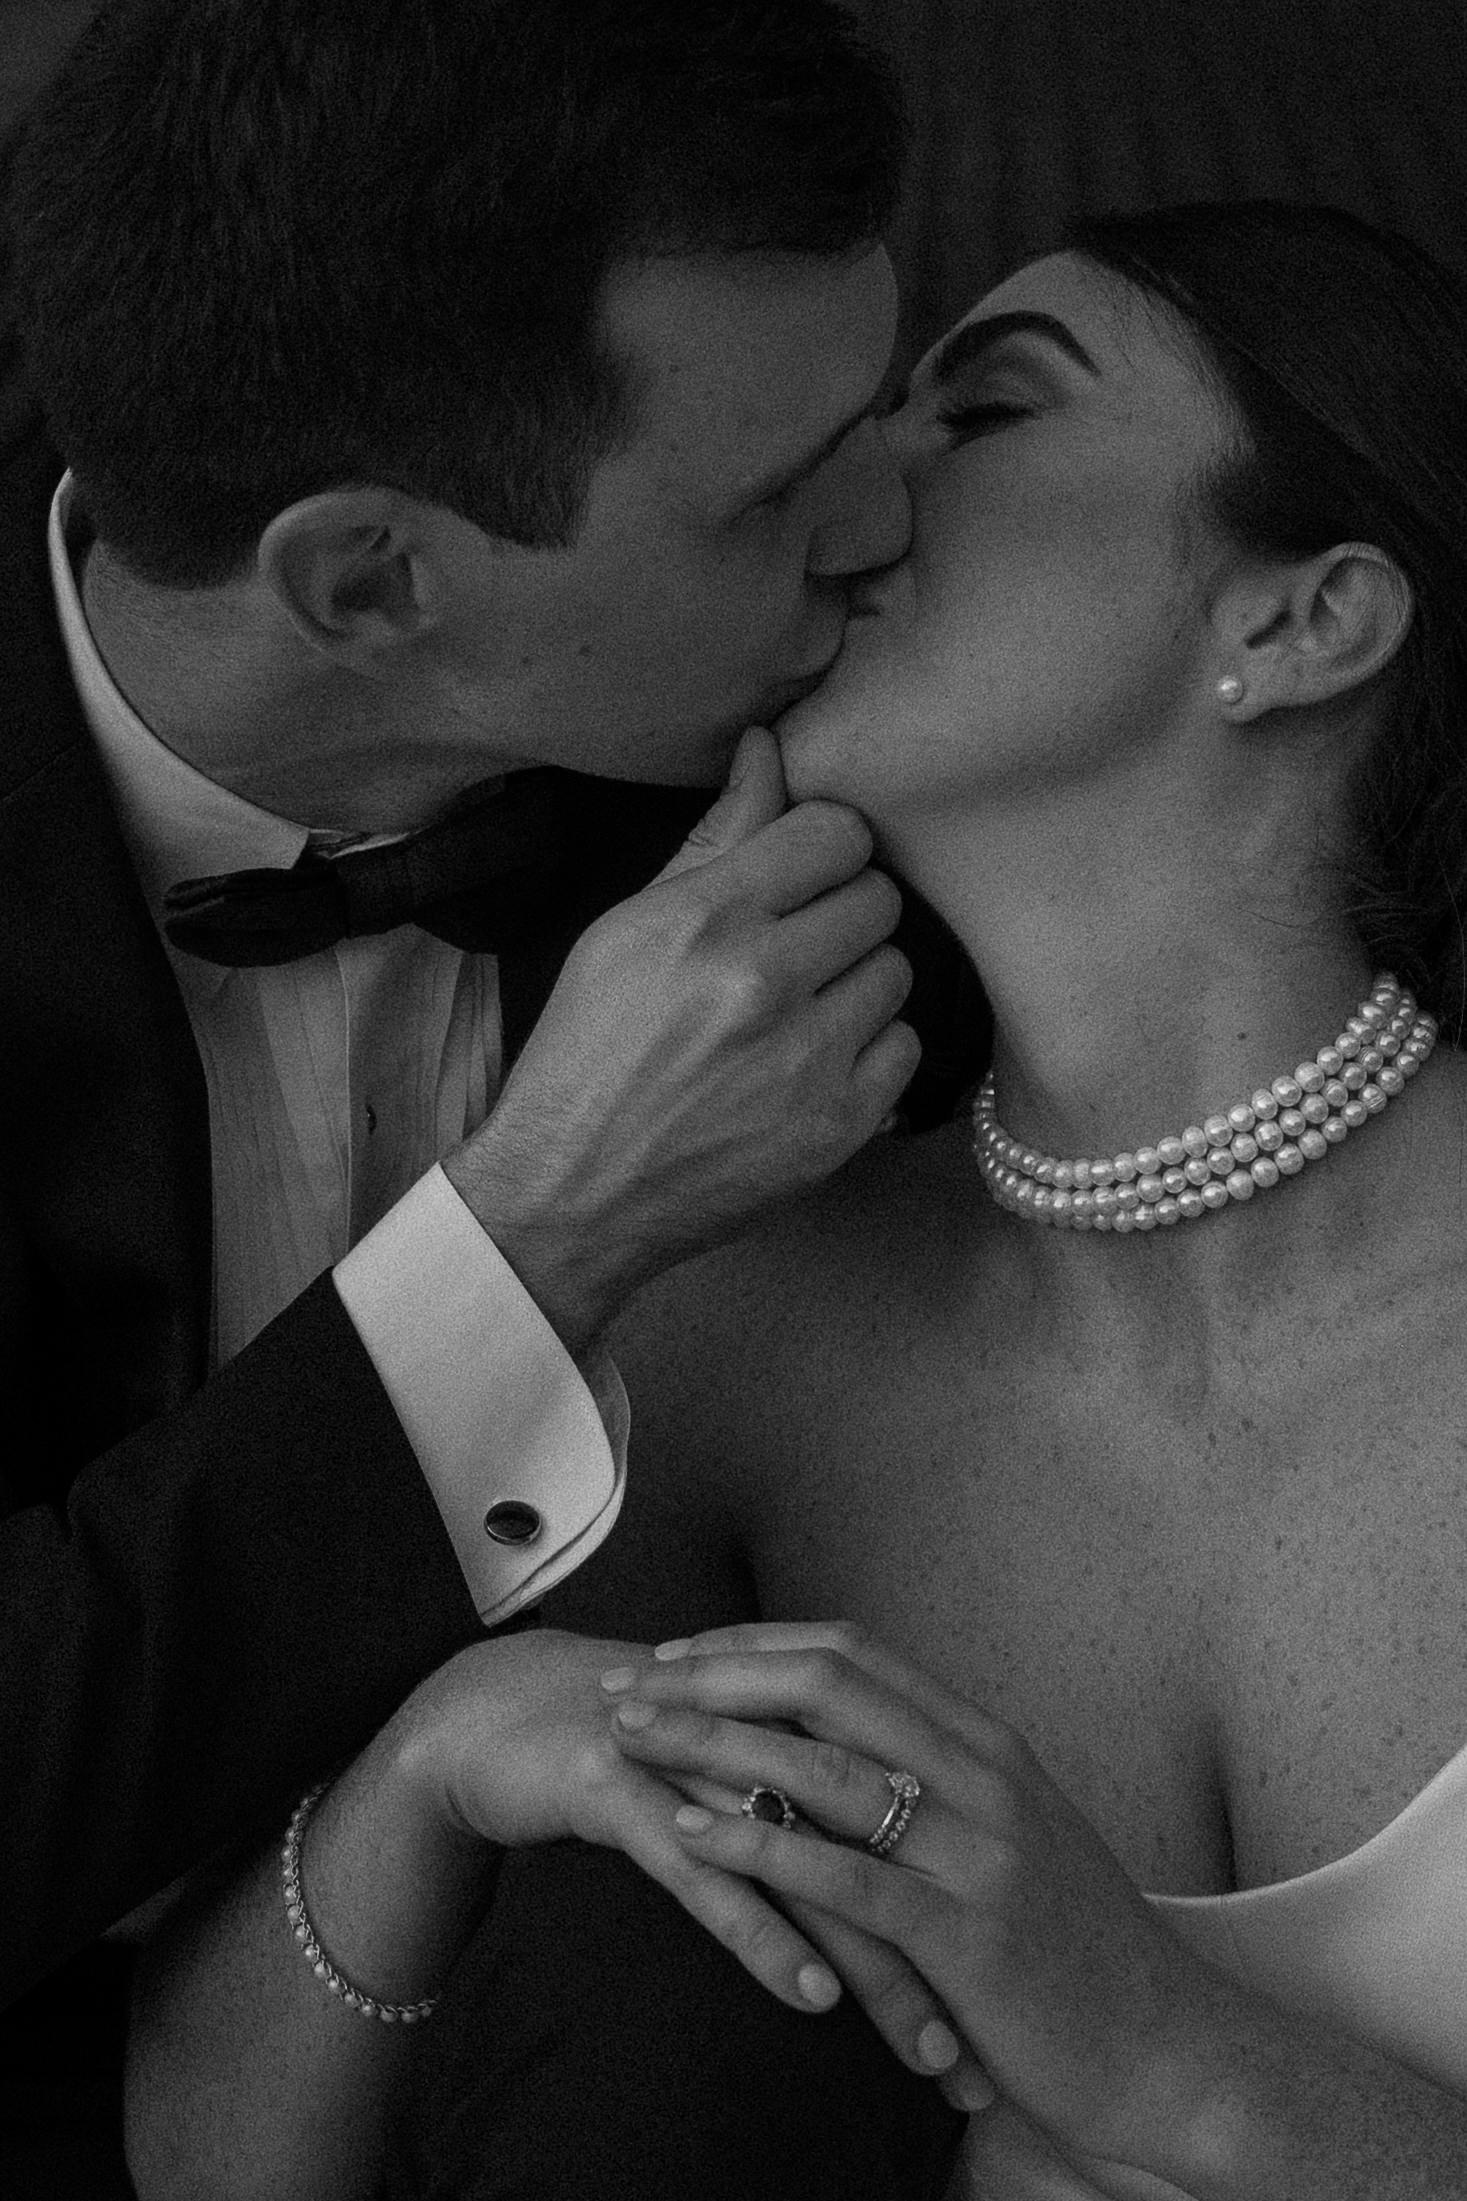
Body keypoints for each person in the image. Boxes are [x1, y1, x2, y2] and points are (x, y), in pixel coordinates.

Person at [127, 197, 1467, 2198]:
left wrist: (1178, 2067)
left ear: (1296, 621)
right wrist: (434, 1768)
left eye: (985, 407)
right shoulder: (726, 1331)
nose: (845, 494)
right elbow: (208, 2157)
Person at [0, 0, 988, 2189]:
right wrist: (540, 1228)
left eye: (889, 398)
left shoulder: (884, 744)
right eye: (771, 493)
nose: (896, 512)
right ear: (368, 581)